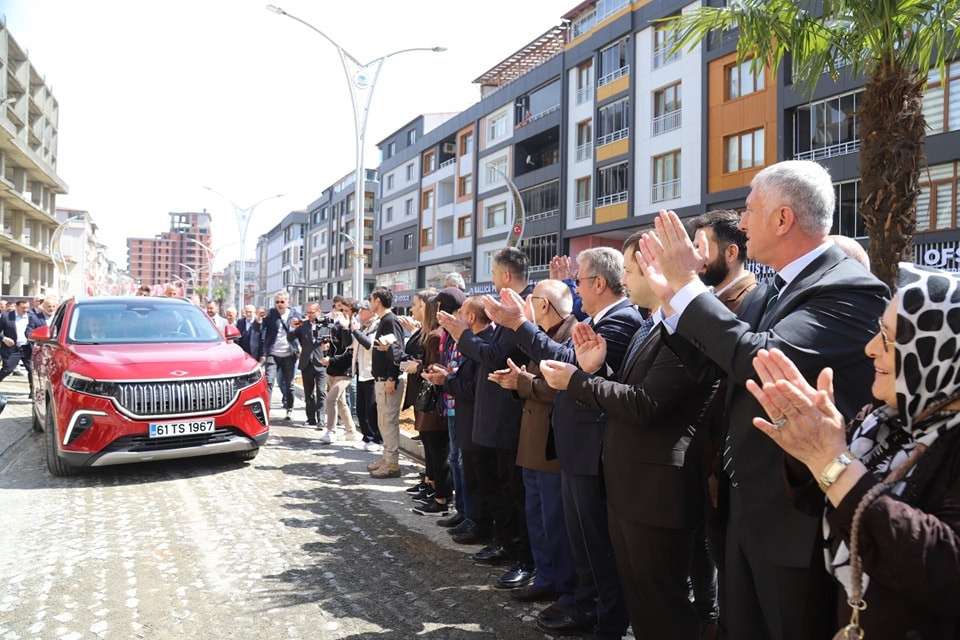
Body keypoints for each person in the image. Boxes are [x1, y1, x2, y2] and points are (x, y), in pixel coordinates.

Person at [637, 160, 888, 640]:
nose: (743, 222)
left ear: (782, 218)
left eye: (750, 209)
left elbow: (763, 359)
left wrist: (690, 291)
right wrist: (673, 301)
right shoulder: (776, 286)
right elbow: (719, 360)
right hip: (744, 506)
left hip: (794, 524)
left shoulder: (848, 288)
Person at [745, 262, 960, 638]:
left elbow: (943, 568)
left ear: (938, 352)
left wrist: (833, 461)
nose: (871, 349)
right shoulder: (886, 420)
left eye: (890, 339)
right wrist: (807, 449)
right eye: (878, 331)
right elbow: (824, 503)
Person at [539, 234, 721, 639]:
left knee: (663, 606)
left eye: (628, 270)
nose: (623, 278)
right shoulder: (651, 326)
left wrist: (579, 381)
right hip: (630, 489)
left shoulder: (685, 332)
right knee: (642, 603)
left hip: (658, 495)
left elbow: (644, 403)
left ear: (655, 271)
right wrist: (597, 370)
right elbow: (625, 395)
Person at [483, 247, 641, 638]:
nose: (577, 289)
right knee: (582, 543)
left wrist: (521, 323)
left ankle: (605, 621)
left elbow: (562, 363)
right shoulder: (595, 318)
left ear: (599, 283)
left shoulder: (621, 321)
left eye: (581, 281)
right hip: (576, 448)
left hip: (593, 450)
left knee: (596, 547)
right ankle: (584, 606)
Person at [436, 247, 534, 591]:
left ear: (506, 276)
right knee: (500, 488)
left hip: (512, 418)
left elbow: (493, 357)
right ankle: (504, 542)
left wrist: (463, 335)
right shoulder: (511, 310)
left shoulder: (520, 311)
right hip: (495, 418)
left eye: (493, 274)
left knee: (513, 492)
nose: (492, 281)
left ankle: (519, 552)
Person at [488, 279, 578, 611]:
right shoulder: (542, 336)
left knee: (555, 521)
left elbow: (561, 385)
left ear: (543, 305)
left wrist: (522, 383)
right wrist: (517, 382)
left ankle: (562, 586)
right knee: (536, 515)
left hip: (553, 443)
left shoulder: (571, 333)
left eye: (533, 300)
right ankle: (545, 577)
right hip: (531, 438)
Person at [689, 208, 758, 634]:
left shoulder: (750, 303)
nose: (695, 260)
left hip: (727, 464)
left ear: (731, 253)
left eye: (701, 249)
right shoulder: (709, 302)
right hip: (700, 458)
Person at [424, 296, 494, 545]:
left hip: (476, 419)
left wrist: (448, 381)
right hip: (464, 416)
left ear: (472, 317)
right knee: (464, 467)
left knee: (475, 473)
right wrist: (447, 376)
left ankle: (478, 522)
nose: (457, 316)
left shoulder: (481, 343)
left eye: (462, 312)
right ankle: (467, 515)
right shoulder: (470, 341)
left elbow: (473, 386)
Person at [403, 289, 453, 516]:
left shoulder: (435, 335)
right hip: (432, 400)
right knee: (434, 450)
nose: (413, 309)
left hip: (434, 401)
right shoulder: (430, 333)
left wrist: (419, 367)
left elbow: (433, 366)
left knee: (437, 451)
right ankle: (434, 489)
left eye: (417, 305)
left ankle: (440, 496)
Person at [368, 287, 407, 479]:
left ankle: (392, 464)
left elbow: (396, 350)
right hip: (381, 380)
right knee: (383, 422)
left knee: (388, 422)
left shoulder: (390, 321)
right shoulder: (384, 320)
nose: (369, 303)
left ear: (377, 300)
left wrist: (392, 377)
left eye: (371, 299)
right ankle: (386, 458)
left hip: (388, 381)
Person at [319, 299, 359, 444]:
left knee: (331, 399)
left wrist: (346, 328)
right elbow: (333, 346)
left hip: (345, 371)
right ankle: (351, 431)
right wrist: (326, 348)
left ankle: (331, 431)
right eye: (337, 309)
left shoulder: (354, 327)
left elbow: (349, 351)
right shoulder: (334, 326)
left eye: (344, 310)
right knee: (341, 402)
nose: (340, 313)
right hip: (333, 369)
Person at [262, 291, 301, 422]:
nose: (279, 304)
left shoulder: (295, 315)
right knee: (268, 382)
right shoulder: (271, 314)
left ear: (287, 302)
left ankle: (289, 408)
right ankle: (266, 410)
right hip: (273, 353)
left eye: (282, 302)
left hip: (289, 354)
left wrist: (294, 329)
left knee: (289, 384)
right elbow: (261, 329)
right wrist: (258, 320)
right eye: (277, 302)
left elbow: (301, 332)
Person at [351, 300, 382, 452]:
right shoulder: (363, 326)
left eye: (362, 311)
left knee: (371, 409)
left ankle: (375, 438)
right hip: (361, 372)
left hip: (371, 373)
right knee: (361, 408)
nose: (359, 314)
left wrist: (356, 331)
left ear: (371, 311)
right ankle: (366, 436)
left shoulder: (377, 325)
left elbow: (369, 345)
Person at [291, 303, 328, 429]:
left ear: (318, 312)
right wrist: (293, 328)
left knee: (321, 392)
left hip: (321, 363)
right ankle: (311, 418)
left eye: (312, 312)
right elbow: (290, 337)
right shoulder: (303, 325)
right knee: (309, 393)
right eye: (308, 313)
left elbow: (332, 340)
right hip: (306, 363)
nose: (309, 315)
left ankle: (321, 419)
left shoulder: (325, 325)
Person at [0, 300, 37, 395]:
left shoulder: (31, 317)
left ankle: (33, 393)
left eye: (27, 308)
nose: (25, 310)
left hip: (27, 348)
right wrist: (4, 338)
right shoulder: (6, 316)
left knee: (32, 370)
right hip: (13, 348)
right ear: (16, 307)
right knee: (7, 369)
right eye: (23, 308)